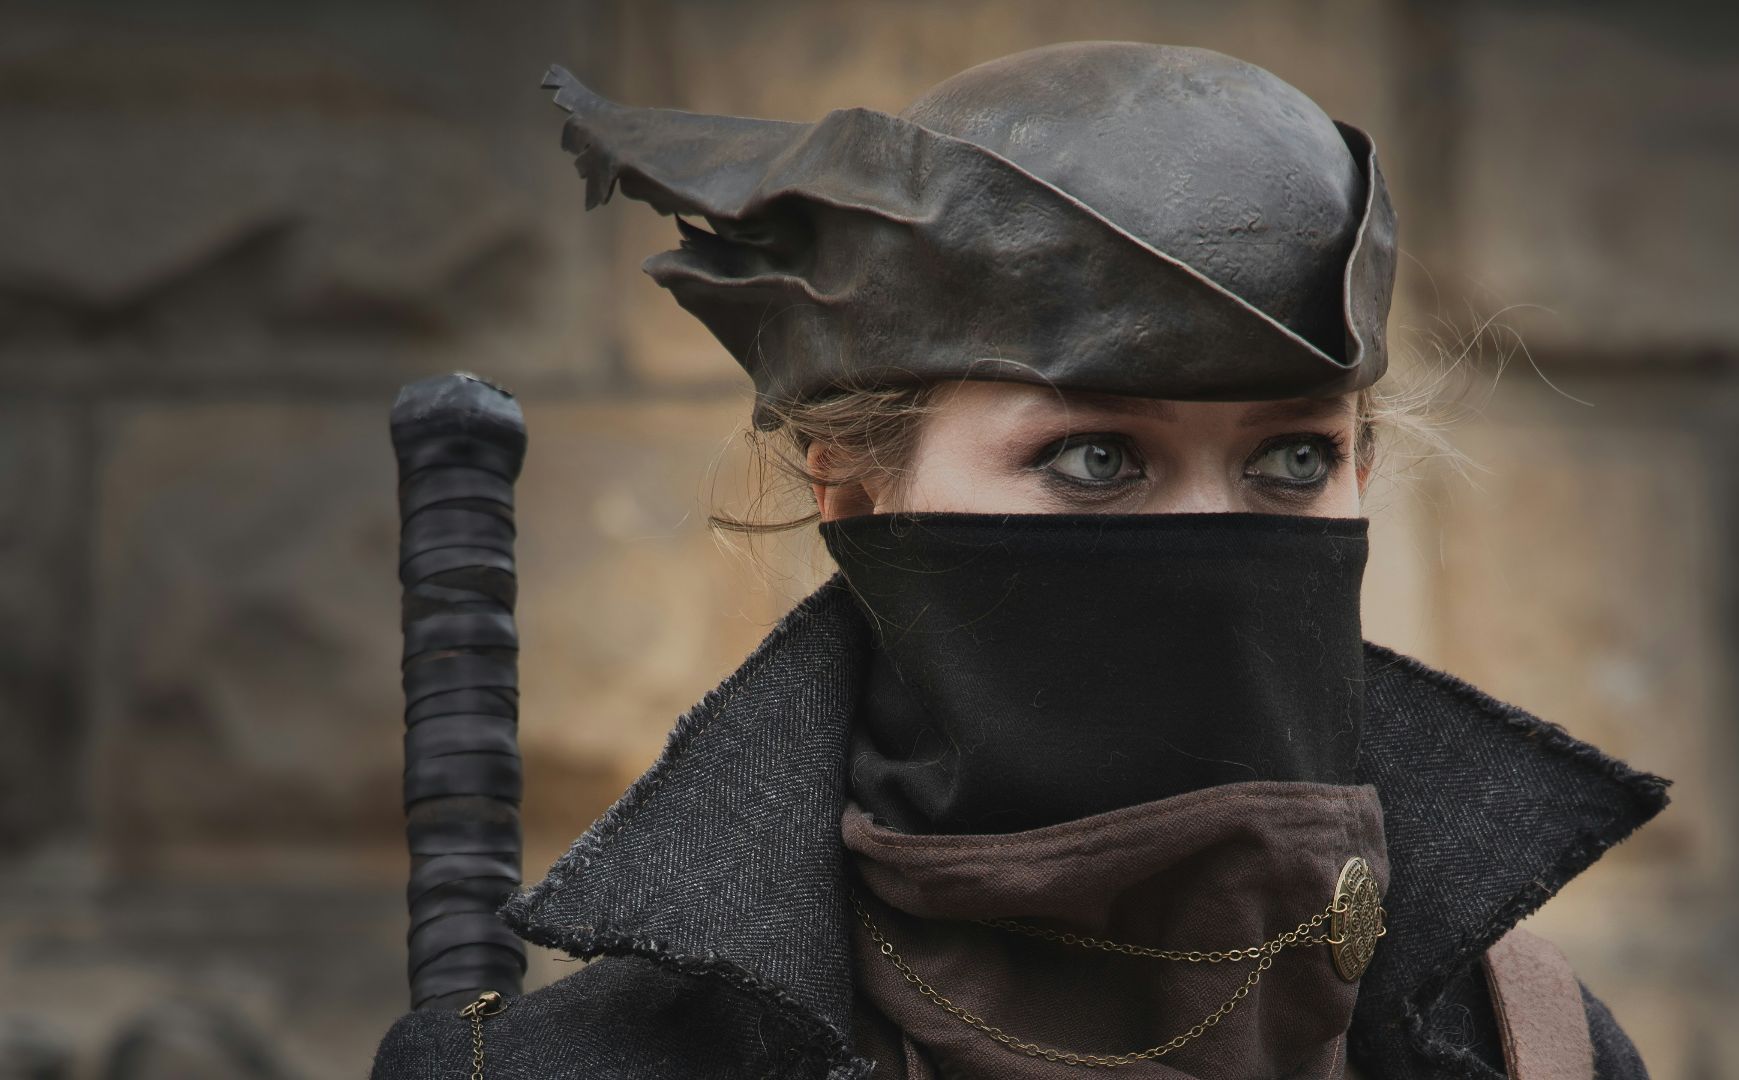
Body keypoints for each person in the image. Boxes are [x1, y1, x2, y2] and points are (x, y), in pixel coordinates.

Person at [372, 41, 1669, 1079]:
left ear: (1363, 475)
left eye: (1290, 460)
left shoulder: (1527, 1051)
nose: (1210, 545)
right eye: (1097, 458)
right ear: (856, 488)